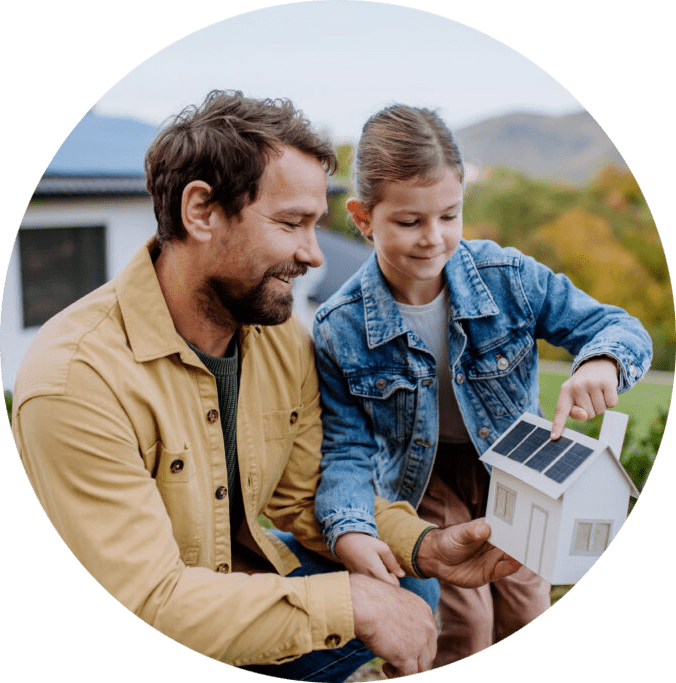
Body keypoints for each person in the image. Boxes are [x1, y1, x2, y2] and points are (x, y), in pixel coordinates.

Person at [11, 91, 521, 682]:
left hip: (227, 583)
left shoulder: (276, 337)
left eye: (315, 224)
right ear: (201, 211)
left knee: (408, 583)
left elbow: (307, 494)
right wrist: (352, 604)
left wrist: (425, 546)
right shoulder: (76, 380)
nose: (311, 253)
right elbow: (142, 604)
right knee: (372, 601)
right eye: (290, 224)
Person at [313, 104, 653, 667]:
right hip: (424, 483)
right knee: (464, 624)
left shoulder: (509, 277)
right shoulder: (340, 327)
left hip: (515, 465)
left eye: (450, 216)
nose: (433, 238)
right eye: (409, 222)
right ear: (363, 217)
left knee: (526, 607)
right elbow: (345, 450)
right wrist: (350, 527)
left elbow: (617, 327)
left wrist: (603, 364)